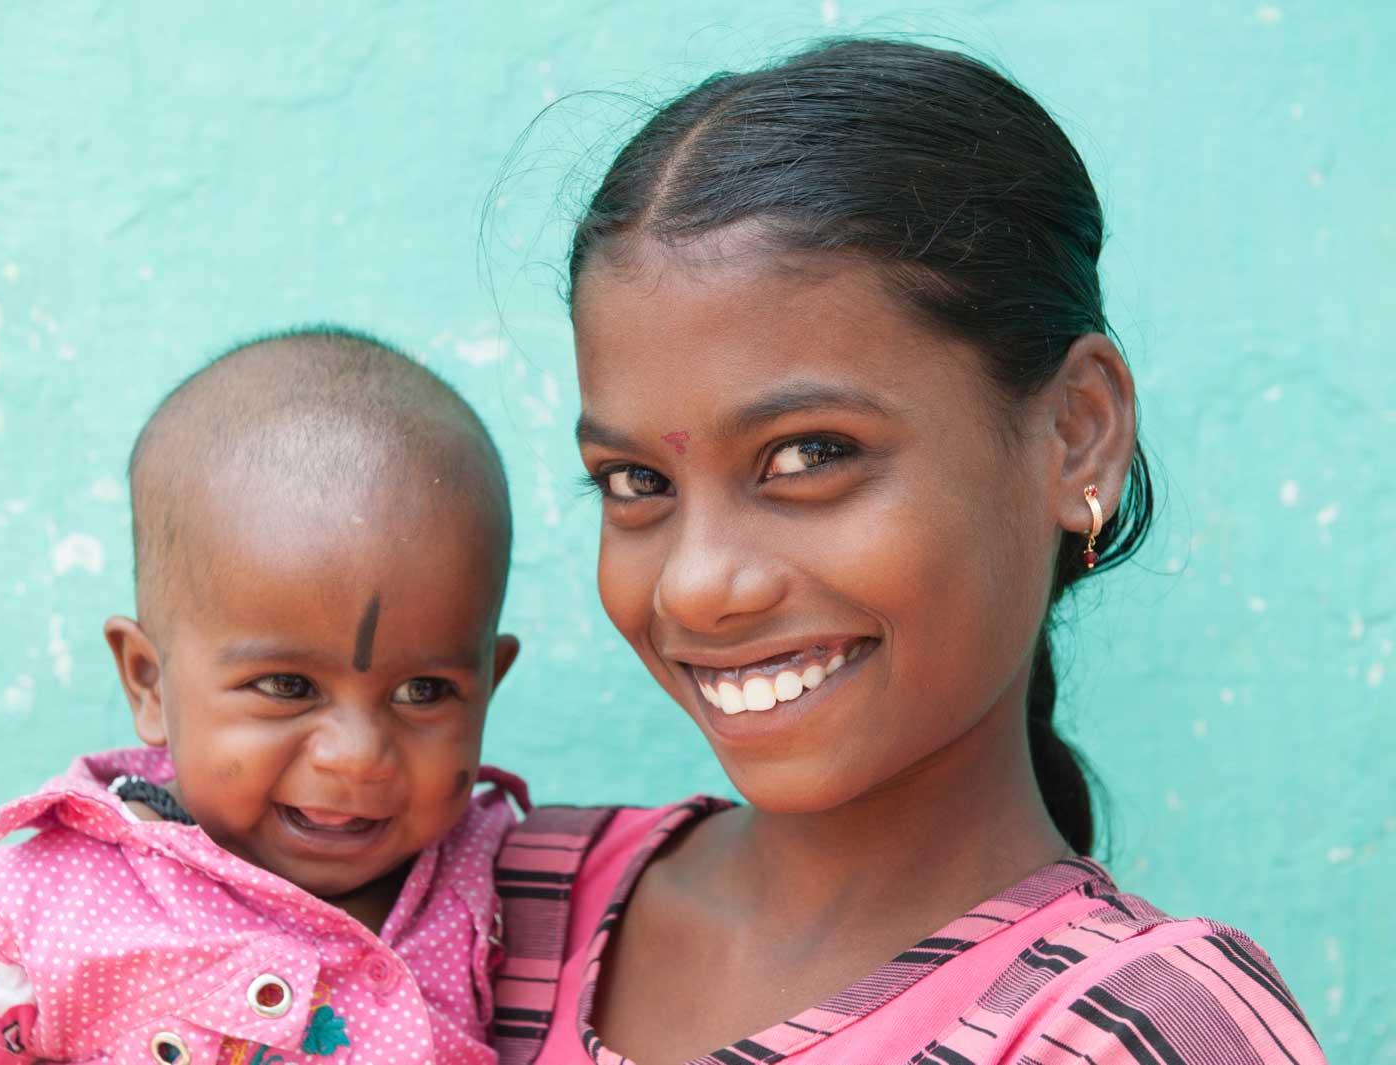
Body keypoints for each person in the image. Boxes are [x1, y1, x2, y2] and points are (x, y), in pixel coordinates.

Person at [492, 39, 1326, 1064]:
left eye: (809, 454)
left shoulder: (1132, 1030)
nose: (698, 584)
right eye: (638, 483)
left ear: (1076, 433)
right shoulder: (478, 911)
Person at [0, 329, 523, 1065]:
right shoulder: (49, 906)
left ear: (489, 684)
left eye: (424, 691)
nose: (357, 754)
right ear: (148, 680)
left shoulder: (497, 876)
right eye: (288, 686)